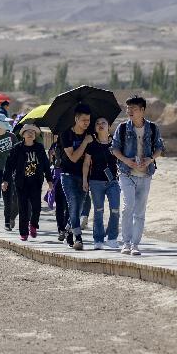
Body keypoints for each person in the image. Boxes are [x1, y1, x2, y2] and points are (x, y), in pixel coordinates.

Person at [111, 95, 165, 256]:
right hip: (126, 173)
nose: (129, 111)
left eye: (133, 109)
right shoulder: (122, 128)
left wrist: (150, 159)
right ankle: (126, 243)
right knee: (128, 207)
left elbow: (160, 148)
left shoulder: (153, 128)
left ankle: (135, 244)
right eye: (128, 108)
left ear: (142, 110)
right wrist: (126, 160)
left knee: (140, 212)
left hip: (145, 175)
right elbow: (114, 148)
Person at [4, 124, 53, 241]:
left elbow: (46, 165)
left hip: (36, 182)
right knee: (23, 208)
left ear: (35, 135)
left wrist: (49, 180)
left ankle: (33, 225)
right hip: (21, 182)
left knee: (37, 207)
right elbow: (9, 165)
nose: (30, 134)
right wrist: (5, 181)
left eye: (33, 132)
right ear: (23, 135)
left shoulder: (39, 148)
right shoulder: (17, 148)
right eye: (28, 132)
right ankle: (23, 232)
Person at [83, 117, 120, 249]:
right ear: (95, 128)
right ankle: (98, 240)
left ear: (109, 126)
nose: (100, 125)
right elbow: (86, 163)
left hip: (113, 181)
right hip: (96, 182)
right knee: (98, 211)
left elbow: (122, 159)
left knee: (115, 209)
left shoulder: (116, 143)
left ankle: (112, 238)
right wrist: (85, 180)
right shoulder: (91, 144)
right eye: (97, 123)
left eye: (103, 122)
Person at [60, 104, 93, 250]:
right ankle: (78, 238)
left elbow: (88, 159)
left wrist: (85, 179)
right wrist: (85, 142)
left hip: (84, 176)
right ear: (76, 119)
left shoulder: (90, 134)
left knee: (78, 209)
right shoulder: (66, 134)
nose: (86, 123)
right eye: (84, 120)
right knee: (73, 206)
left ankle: (67, 231)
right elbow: (73, 157)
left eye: (88, 120)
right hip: (68, 175)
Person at [49, 136, 69, 241]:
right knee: (60, 205)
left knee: (68, 206)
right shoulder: (55, 145)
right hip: (58, 177)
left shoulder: (72, 142)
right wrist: (52, 154)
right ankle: (61, 229)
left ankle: (66, 228)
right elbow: (52, 162)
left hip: (70, 176)